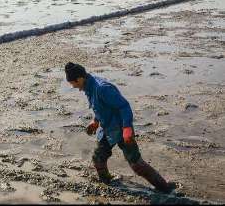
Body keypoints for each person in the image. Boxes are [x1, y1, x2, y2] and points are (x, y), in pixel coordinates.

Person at [64, 62, 176, 194]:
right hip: (106, 129)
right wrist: (95, 121)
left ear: (80, 78)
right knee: (98, 158)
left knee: (136, 164)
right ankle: (107, 183)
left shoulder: (102, 88)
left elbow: (124, 106)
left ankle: (165, 188)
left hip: (121, 129)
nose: (75, 87)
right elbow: (100, 107)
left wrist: (127, 128)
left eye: (73, 83)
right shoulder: (88, 87)